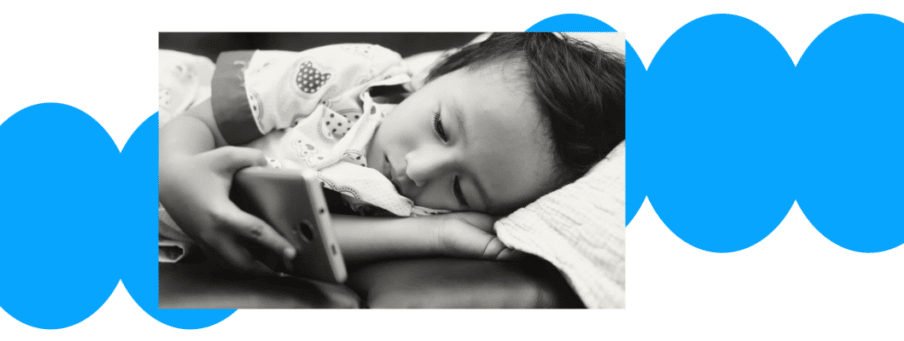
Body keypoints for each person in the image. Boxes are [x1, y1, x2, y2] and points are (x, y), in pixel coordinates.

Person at [158, 33, 625, 275]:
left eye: (461, 187)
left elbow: (300, 241)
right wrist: (174, 170)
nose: (417, 169)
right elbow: (204, 119)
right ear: (438, 73)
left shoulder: (418, 209)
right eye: (441, 128)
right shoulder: (357, 76)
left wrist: (438, 235)